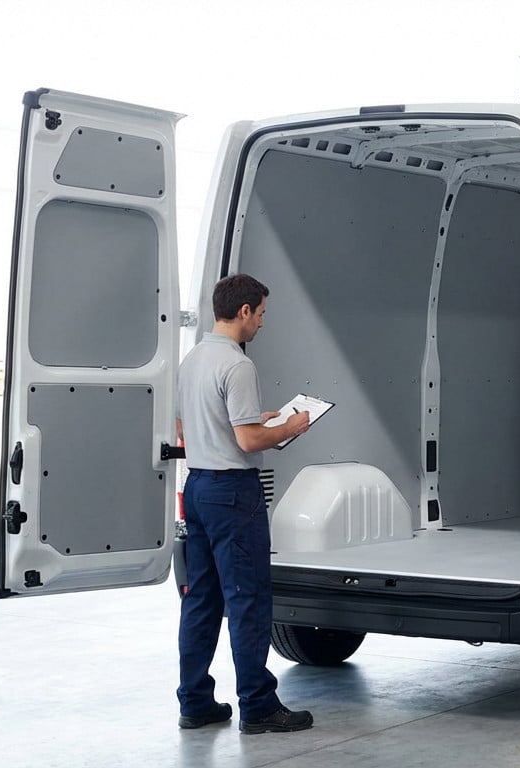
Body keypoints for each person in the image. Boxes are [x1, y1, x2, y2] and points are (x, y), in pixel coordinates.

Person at [174, 273, 313, 734]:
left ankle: (195, 702)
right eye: (262, 314)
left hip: (198, 488)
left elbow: (192, 426)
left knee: (201, 601)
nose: (262, 324)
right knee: (248, 600)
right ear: (245, 311)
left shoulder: (192, 360)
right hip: (234, 493)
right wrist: (288, 428)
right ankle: (258, 706)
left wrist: (261, 418)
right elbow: (249, 440)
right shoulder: (238, 365)